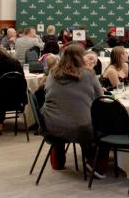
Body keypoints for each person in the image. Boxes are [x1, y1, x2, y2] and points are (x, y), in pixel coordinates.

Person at [41, 44, 107, 174]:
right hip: (80, 128)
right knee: (104, 126)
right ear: (81, 58)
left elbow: (46, 93)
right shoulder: (88, 74)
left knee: (67, 117)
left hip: (50, 125)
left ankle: (58, 161)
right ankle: (95, 164)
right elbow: (100, 99)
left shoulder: (52, 73)